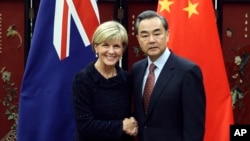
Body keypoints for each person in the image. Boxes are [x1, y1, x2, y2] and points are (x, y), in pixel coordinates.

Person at [130, 10, 206, 141]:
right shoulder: (137, 69)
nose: (151, 40)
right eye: (145, 35)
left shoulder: (187, 71)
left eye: (157, 33)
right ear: (138, 39)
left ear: (167, 35)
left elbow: (194, 128)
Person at [72, 21, 138, 141]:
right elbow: (85, 125)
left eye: (116, 46)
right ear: (96, 47)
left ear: (123, 49)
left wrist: (133, 123)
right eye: (105, 45)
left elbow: (132, 115)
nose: (111, 51)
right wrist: (121, 126)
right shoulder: (83, 79)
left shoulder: (127, 79)